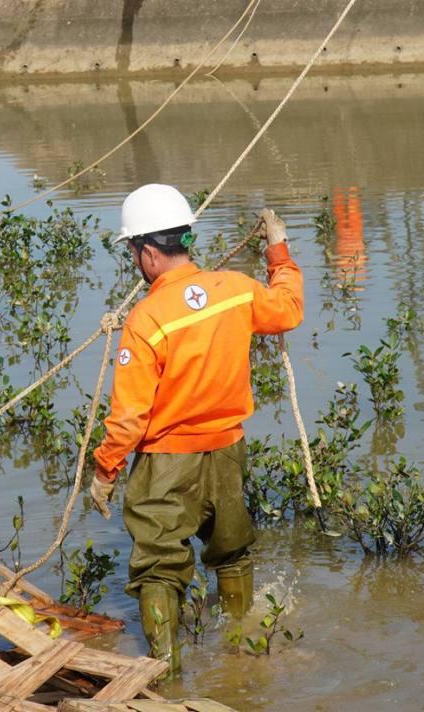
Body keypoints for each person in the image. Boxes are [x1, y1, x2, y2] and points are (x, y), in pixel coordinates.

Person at [88, 184, 303, 677]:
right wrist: (278, 249)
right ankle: (243, 661)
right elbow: (288, 308)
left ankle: (163, 676)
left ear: (146, 253)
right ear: (184, 238)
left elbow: (128, 417)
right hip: (228, 450)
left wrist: (105, 472)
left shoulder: (146, 319)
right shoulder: (235, 289)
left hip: (168, 463)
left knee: (159, 567)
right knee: (231, 552)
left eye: (133, 255)